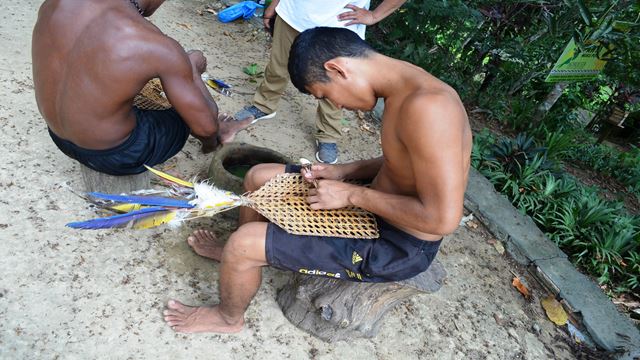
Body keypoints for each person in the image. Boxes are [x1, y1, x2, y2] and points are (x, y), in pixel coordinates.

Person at [163, 27, 472, 334]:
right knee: (258, 176)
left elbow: (442, 219)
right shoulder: (407, 86)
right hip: (375, 203)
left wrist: (351, 195)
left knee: (244, 244)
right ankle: (242, 260)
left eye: (325, 95)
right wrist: (344, 172)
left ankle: (228, 316)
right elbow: (406, 159)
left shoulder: (429, 108)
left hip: (396, 244)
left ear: (336, 69)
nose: (335, 106)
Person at [32, 0, 251, 176]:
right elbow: (204, 129)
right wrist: (192, 67)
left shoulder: (53, 5)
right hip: (114, 155)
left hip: (57, 136)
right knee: (194, 117)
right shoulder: (154, 44)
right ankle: (217, 142)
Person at [233, 0, 406, 164]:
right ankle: (264, 105)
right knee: (278, 65)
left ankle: (328, 134)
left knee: (334, 84)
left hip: (339, 26)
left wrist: (375, 16)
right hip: (293, 14)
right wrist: (276, 4)